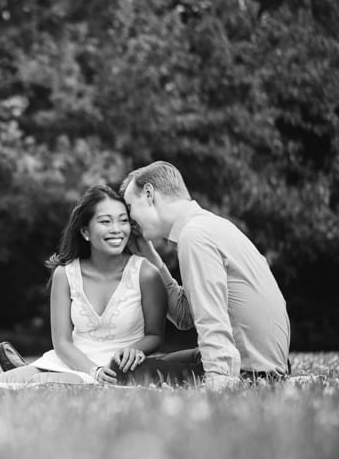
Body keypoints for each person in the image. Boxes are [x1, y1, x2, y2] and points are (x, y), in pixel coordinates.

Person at [0, 185, 203, 388]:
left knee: (40, 383)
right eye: (106, 222)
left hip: (117, 369)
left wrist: (136, 350)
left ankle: (30, 375)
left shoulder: (146, 274)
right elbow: (62, 342)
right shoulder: (65, 274)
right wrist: (92, 370)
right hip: (71, 362)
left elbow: (155, 335)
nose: (117, 229)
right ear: (85, 232)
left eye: (123, 221)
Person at [119, 161, 290, 390]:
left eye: (130, 208)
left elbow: (211, 318)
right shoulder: (210, 225)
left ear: (149, 193)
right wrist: (150, 256)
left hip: (247, 372)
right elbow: (184, 315)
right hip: (264, 365)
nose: (130, 221)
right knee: (149, 364)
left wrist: (219, 381)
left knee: (122, 373)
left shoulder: (195, 236)